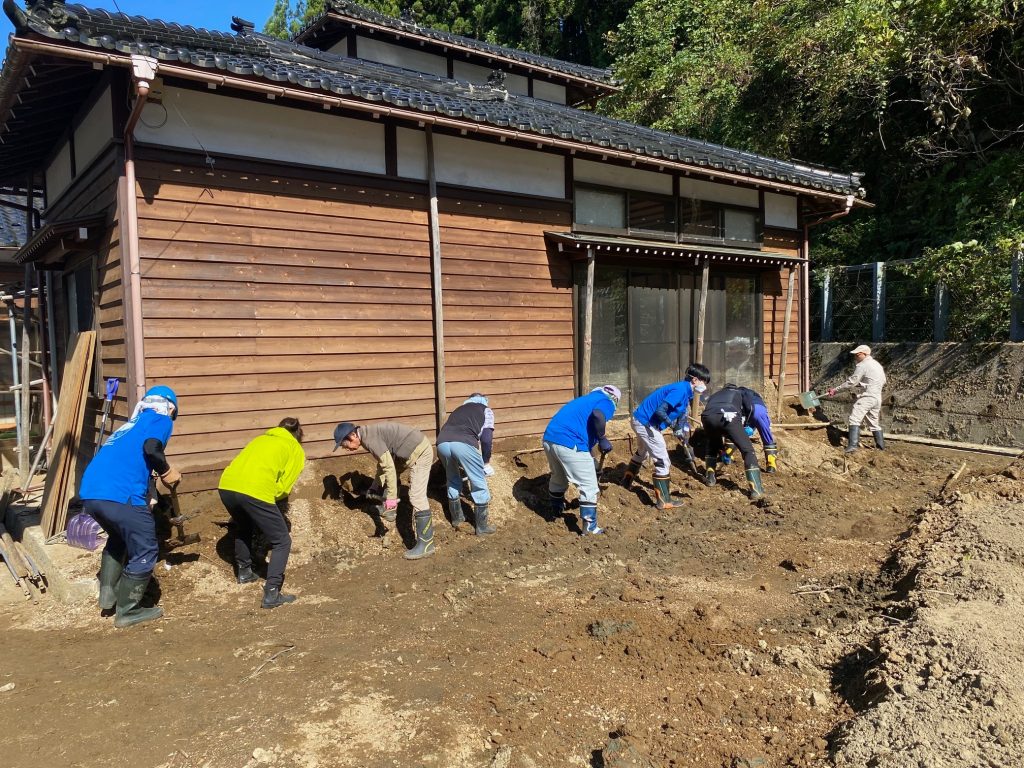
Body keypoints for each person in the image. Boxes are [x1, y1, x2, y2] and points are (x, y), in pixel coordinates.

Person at [79, 385, 180, 628]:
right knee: (146, 549)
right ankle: (128, 611)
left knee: (118, 538)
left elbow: (134, 458)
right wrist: (167, 471)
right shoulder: (160, 418)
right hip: (119, 495)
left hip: (91, 493)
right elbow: (151, 448)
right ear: (170, 407)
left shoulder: (128, 427)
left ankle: (108, 598)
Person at [218, 417, 306, 609]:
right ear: (298, 435)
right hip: (254, 491)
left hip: (226, 486)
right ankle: (272, 593)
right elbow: (283, 488)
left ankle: (244, 572)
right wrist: (273, 504)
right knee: (282, 540)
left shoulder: (260, 439)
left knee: (244, 526)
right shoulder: (295, 449)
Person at [334, 421, 436, 559]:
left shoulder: (370, 439)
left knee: (416, 496)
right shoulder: (366, 435)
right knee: (390, 474)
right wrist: (374, 486)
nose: (345, 449)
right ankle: (389, 511)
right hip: (403, 453)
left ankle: (426, 545)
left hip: (420, 452)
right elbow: (382, 465)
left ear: (352, 436)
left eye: (344, 445)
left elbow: (389, 469)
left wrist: (392, 499)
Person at [622, 363, 711, 509]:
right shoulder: (680, 390)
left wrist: (681, 430)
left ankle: (625, 482)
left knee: (642, 453)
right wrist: (673, 426)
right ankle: (664, 501)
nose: (704, 386)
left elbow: (682, 414)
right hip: (646, 423)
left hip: (641, 420)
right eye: (704, 382)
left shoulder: (686, 392)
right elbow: (660, 411)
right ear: (695, 380)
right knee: (663, 460)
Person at [541, 385, 620, 534]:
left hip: (550, 439)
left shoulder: (586, 400)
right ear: (615, 399)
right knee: (589, 486)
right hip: (570, 441)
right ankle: (590, 528)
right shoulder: (606, 401)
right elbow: (598, 415)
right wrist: (603, 438)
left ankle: (556, 511)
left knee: (558, 478)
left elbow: (586, 438)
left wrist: (592, 461)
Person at [436, 393, 496, 535]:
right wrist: (486, 462)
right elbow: (486, 439)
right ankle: (481, 527)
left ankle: (457, 519)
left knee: (452, 479)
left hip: (442, 443)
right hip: (464, 443)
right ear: (484, 401)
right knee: (478, 482)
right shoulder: (485, 410)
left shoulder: (458, 410)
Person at [700, 384, 766, 501]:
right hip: (729, 415)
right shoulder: (740, 393)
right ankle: (756, 490)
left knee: (712, 444)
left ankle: (710, 478)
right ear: (734, 388)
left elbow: (709, 408)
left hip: (707, 417)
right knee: (748, 451)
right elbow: (750, 408)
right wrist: (746, 426)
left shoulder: (715, 395)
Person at [828, 344, 887, 453]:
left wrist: (836, 390)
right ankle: (881, 448)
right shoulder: (876, 364)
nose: (855, 357)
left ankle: (852, 446)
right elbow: (882, 380)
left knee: (854, 419)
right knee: (873, 423)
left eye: (857, 355)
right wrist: (864, 384)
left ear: (864, 354)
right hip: (877, 397)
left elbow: (851, 382)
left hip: (867, 397)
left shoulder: (863, 365)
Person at [715, 386, 780, 473]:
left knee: (735, 432)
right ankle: (771, 465)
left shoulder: (733, 395)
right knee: (766, 436)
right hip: (761, 409)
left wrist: (744, 426)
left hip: (749, 410)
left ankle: (728, 455)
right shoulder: (750, 393)